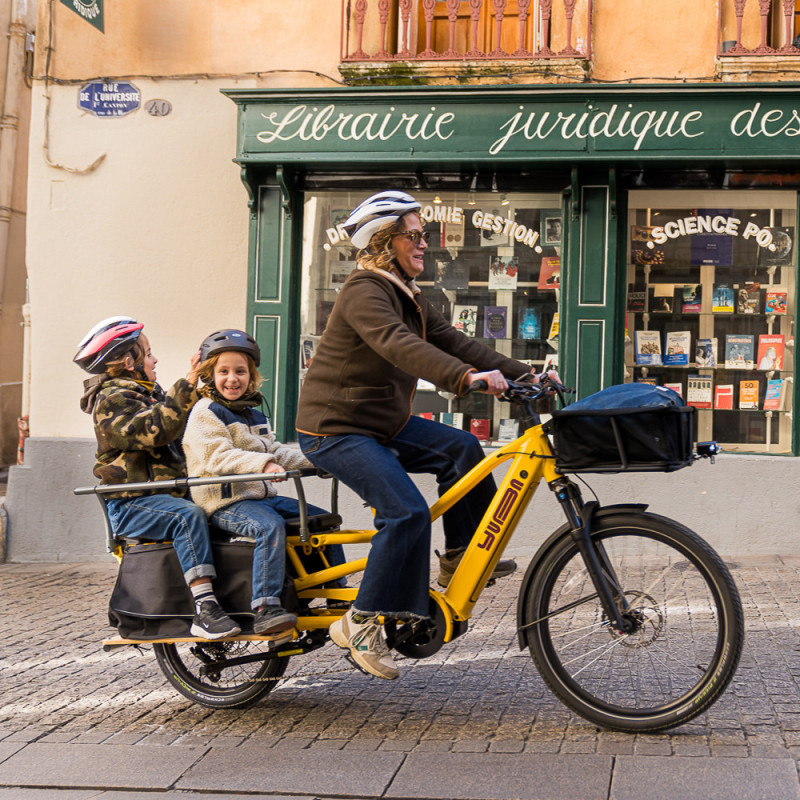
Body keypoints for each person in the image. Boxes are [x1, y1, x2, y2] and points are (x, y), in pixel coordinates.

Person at [296, 190, 551, 680]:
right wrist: (464, 378)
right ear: (383, 241)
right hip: (335, 429)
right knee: (406, 512)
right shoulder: (363, 290)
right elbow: (398, 345)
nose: (424, 245)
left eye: (424, 235)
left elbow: (457, 341)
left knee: (462, 449)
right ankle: (363, 622)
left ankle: (458, 557)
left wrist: (526, 374)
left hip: (381, 423)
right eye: (413, 235)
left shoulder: (407, 294)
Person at [75, 316, 241, 640]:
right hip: (133, 503)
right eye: (148, 353)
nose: (155, 359)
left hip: (163, 496)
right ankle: (205, 610)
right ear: (128, 361)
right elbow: (154, 430)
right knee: (186, 517)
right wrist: (189, 381)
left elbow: (184, 421)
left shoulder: (147, 393)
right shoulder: (111, 400)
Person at [183, 329, 345, 635]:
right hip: (224, 501)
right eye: (224, 372)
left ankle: (335, 593)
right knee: (268, 527)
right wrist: (263, 464)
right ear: (209, 375)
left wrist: (322, 459)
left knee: (321, 520)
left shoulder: (251, 413)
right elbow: (217, 457)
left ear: (252, 376)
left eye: (240, 372)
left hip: (259, 497)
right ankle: (265, 606)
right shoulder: (205, 413)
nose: (233, 379)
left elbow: (275, 450)